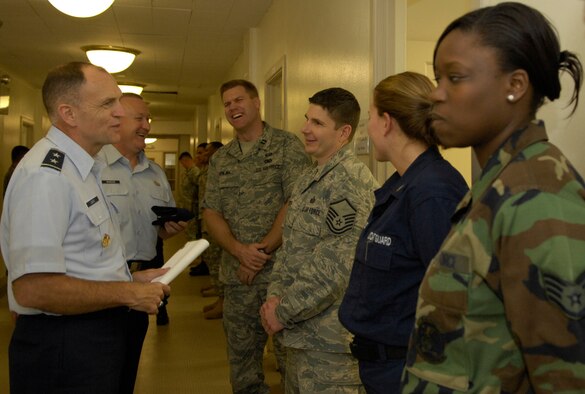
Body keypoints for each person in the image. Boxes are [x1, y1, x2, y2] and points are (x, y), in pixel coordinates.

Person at [401, 3, 585, 392]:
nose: (436, 94)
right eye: (437, 78)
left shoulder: (537, 199)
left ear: (515, 86)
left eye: (455, 77)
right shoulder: (499, 184)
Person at [0, 61, 170, 393]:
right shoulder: (45, 177)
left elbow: (82, 259)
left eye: (118, 101)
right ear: (69, 113)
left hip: (93, 332)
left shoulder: (83, 168)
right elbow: (33, 288)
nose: (120, 112)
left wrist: (129, 278)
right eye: (108, 103)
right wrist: (128, 293)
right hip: (65, 343)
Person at [337, 72, 468, 393]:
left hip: (411, 371)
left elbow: (455, 298)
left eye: (370, 116)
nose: (368, 127)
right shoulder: (403, 183)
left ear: (387, 121)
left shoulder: (432, 192)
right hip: (385, 368)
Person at [261, 87, 378, 393]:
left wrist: (282, 312)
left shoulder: (350, 182)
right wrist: (274, 298)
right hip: (299, 336)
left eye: (317, 123)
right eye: (306, 119)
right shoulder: (309, 179)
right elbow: (288, 251)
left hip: (331, 348)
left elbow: (335, 268)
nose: (305, 129)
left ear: (344, 132)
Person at [203, 79, 311, 393]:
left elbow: (296, 202)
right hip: (238, 281)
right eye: (227, 104)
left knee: (291, 362)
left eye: (239, 100)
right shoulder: (221, 159)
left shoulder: (286, 145)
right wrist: (240, 252)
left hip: (283, 277)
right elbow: (211, 211)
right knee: (243, 365)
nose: (233, 108)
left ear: (256, 102)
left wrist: (258, 254)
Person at [98, 93, 187, 326]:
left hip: (143, 281)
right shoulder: (93, 168)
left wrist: (170, 229)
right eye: (140, 119)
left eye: (148, 119)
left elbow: (160, 231)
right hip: (102, 281)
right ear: (117, 120)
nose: (146, 126)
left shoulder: (155, 173)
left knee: (130, 356)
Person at [198, 141, 225, 319]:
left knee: (218, 261)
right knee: (212, 259)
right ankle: (220, 297)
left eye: (209, 151)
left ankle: (223, 301)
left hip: (218, 221)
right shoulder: (207, 169)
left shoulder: (221, 169)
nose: (205, 154)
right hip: (207, 218)